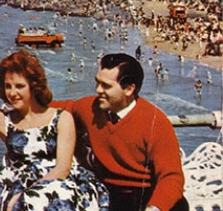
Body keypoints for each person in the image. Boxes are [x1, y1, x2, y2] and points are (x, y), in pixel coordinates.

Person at [0, 50, 109, 211]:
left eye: (19, 86)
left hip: (59, 180)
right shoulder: (3, 120)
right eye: (8, 86)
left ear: (33, 86)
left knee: (54, 199)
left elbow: (63, 168)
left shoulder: (61, 118)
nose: (12, 93)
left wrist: (29, 193)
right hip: (20, 182)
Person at [52, 53, 187, 211]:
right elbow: (49, 107)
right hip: (109, 196)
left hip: (149, 197)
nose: (98, 90)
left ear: (129, 89)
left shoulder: (156, 122)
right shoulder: (90, 107)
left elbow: (171, 177)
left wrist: (154, 208)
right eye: (97, 83)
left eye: (106, 86)